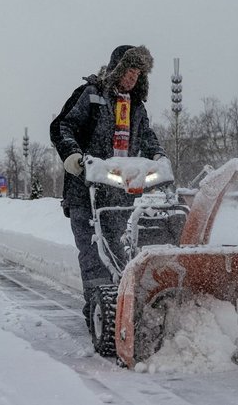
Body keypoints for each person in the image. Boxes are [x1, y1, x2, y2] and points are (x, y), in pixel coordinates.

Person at [51, 44, 166, 328]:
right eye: (128, 71)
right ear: (117, 69)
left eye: (137, 74)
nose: (131, 78)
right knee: (93, 252)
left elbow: (147, 136)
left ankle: (124, 307)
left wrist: (158, 155)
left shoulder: (136, 107)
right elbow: (62, 126)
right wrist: (73, 156)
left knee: (119, 249)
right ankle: (98, 312)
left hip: (120, 194)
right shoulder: (91, 96)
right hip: (85, 190)